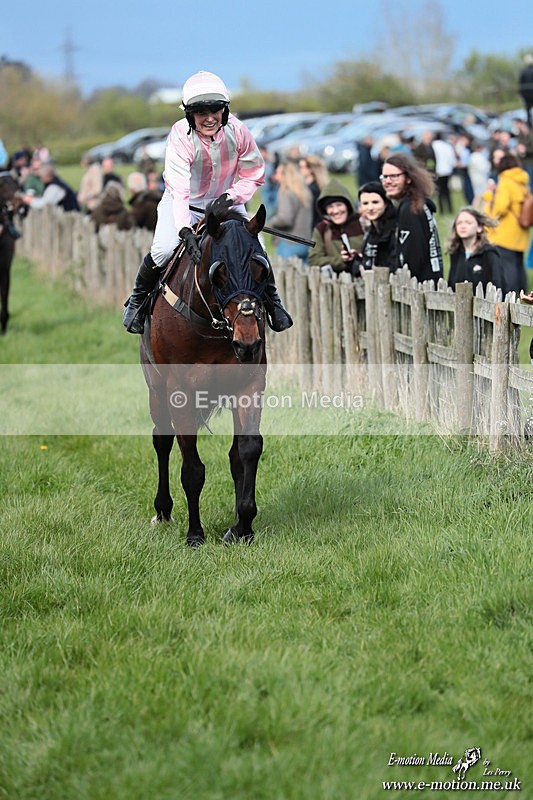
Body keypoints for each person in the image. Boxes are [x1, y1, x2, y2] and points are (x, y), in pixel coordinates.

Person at [123, 70, 291, 334]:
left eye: (215, 110)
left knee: (257, 247)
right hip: (184, 202)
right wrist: (184, 230)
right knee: (164, 249)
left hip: (226, 200)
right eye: (201, 112)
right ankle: (137, 301)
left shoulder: (239, 131)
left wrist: (230, 197)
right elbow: (179, 189)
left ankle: (273, 304)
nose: (210, 118)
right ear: (189, 114)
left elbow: (254, 174)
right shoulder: (180, 136)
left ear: (225, 110)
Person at [381, 152, 443, 283]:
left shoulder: (410, 209)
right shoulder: (417, 203)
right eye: (385, 176)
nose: (387, 181)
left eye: (394, 176)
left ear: (408, 178)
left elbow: (412, 258)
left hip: (421, 288)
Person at [481, 152, 530, 295]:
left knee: (508, 267)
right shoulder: (521, 181)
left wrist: (489, 195)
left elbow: (500, 208)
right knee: (519, 265)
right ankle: (523, 294)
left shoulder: (505, 181)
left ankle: (512, 295)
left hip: (507, 233)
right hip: (521, 231)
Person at [308, 177, 364, 274]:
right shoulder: (322, 230)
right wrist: (341, 260)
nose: (336, 211)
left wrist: (358, 258)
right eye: (330, 207)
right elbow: (314, 260)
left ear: (348, 205)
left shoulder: (363, 224)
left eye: (339, 205)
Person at [447, 207, 502, 293]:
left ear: (479, 227)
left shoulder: (489, 253)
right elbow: (451, 284)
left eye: (468, 223)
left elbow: (499, 284)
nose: (463, 226)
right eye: (459, 223)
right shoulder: (455, 253)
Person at [268, 160, 313, 263]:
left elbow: (285, 219)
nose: (276, 176)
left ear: (285, 175)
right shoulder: (305, 191)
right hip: (305, 242)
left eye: (278, 173)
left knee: (286, 277)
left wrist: (272, 221)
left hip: (289, 243)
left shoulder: (286, 192)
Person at [353, 181, 398, 274]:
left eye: (375, 202)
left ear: (385, 203)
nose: (370, 208)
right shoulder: (370, 232)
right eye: (365, 203)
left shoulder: (395, 230)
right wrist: (353, 260)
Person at [298, 154, 329, 228]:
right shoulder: (319, 186)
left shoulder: (312, 189)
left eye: (302, 167)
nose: (300, 170)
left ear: (310, 169)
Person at [431, 132, 457, 214]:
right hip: (447, 170)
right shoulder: (447, 146)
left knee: (439, 191)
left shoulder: (433, 145)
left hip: (438, 170)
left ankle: (442, 210)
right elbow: (452, 158)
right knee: (447, 190)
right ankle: (449, 208)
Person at [467, 140, 491, 209]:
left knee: (477, 195)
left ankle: (475, 208)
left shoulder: (471, 156)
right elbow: (485, 168)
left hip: (474, 177)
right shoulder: (480, 156)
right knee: (484, 194)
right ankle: (483, 208)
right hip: (481, 177)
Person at [513, 117, 533, 187]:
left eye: (516, 124)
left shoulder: (530, 134)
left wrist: (525, 149)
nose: (515, 126)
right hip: (523, 162)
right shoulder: (520, 135)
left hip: (530, 162)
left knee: (530, 182)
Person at [518, 54, 533, 127]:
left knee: (528, 112)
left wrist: (521, 95)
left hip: (526, 95)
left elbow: (520, 85)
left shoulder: (523, 72)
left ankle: (529, 126)